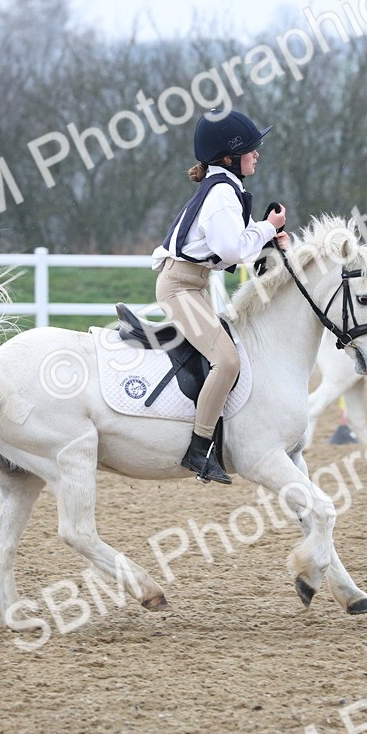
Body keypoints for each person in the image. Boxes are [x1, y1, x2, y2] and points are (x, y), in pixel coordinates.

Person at [151, 108, 291, 484]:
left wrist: (271, 238)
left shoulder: (226, 188)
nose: (258, 153)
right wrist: (267, 227)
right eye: (251, 148)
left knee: (227, 354)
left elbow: (240, 244)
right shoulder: (222, 194)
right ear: (229, 157)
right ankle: (198, 449)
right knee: (226, 361)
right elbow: (231, 251)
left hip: (192, 285)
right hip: (181, 286)